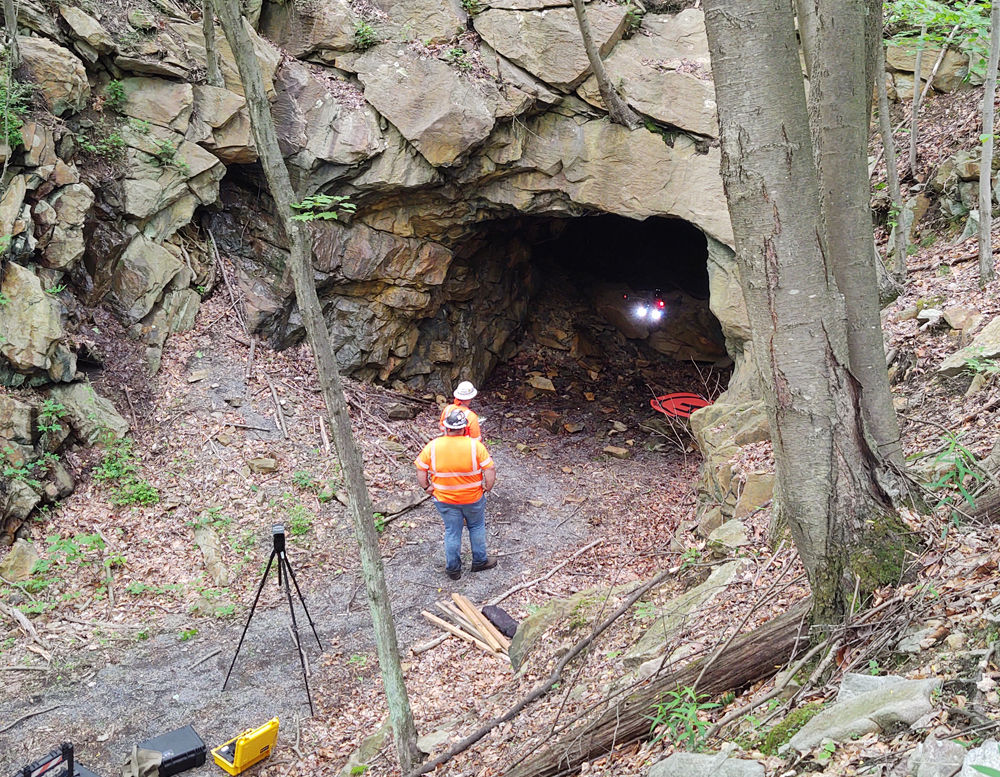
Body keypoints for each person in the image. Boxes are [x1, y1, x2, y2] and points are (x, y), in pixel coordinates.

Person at [417, 409, 497, 580]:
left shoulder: (432, 446)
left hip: (445, 499)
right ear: (464, 428)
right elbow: (489, 468)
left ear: (445, 428)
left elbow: (420, 468)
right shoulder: (475, 446)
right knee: (476, 526)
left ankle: (453, 569)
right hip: (473, 498)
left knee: (452, 531)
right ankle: (480, 561)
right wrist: (488, 486)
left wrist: (426, 487)